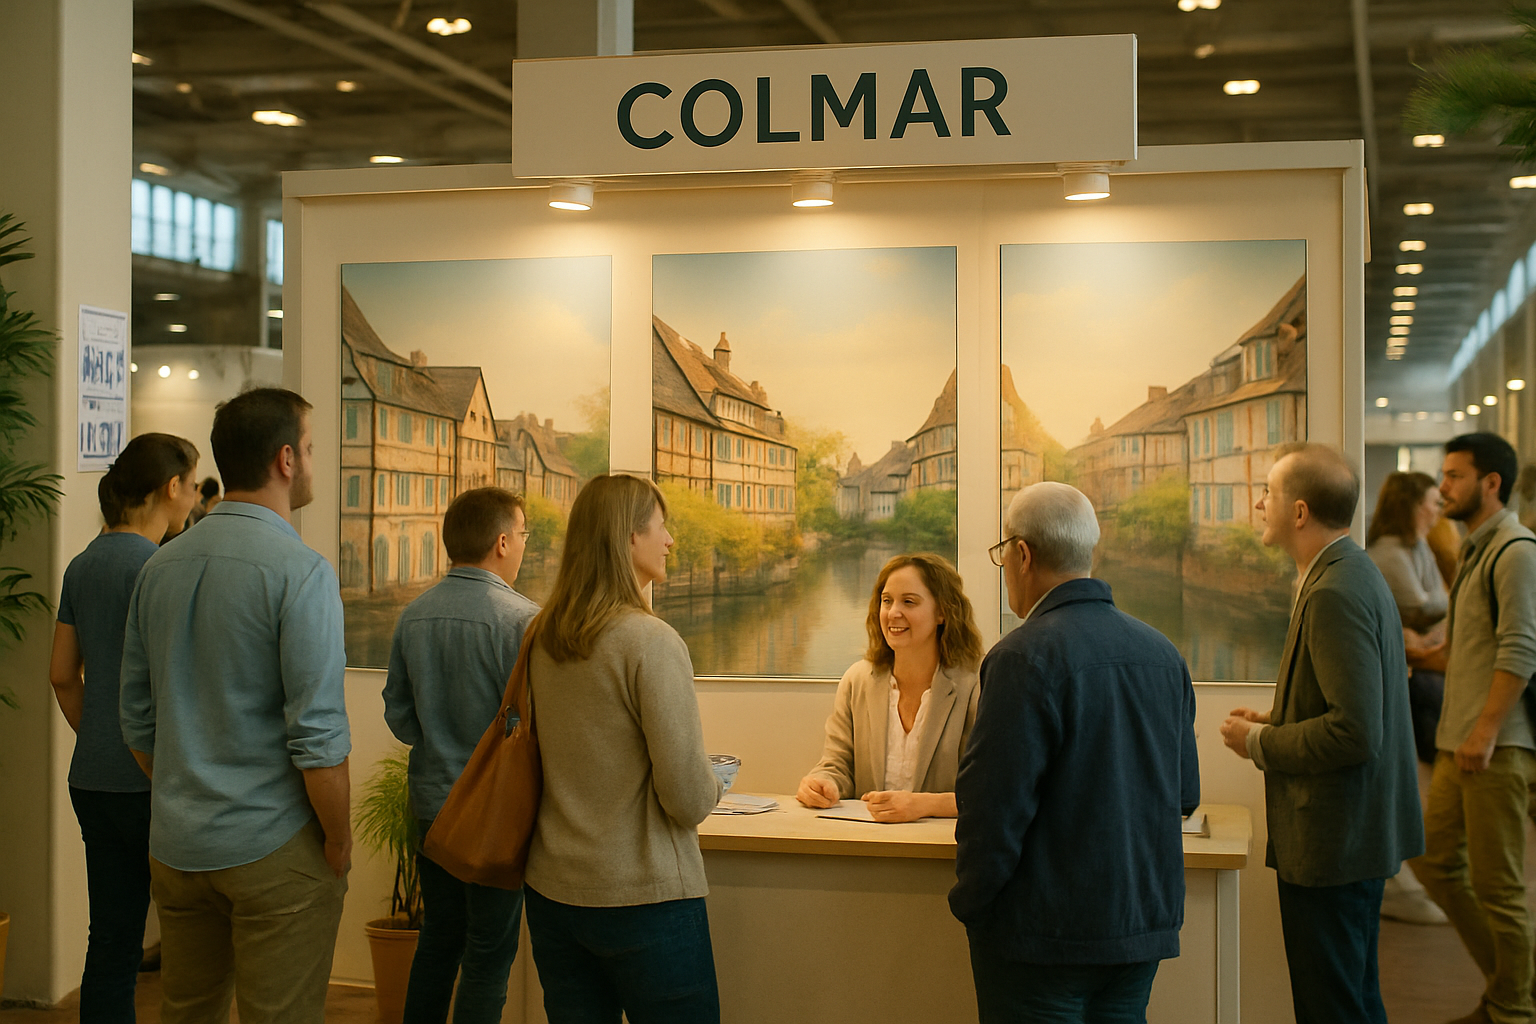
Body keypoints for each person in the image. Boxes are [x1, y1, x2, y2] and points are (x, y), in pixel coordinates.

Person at [120, 388, 351, 1024]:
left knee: (187, 1011)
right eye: (308, 448)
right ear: (285, 460)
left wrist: (187, 788)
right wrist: (338, 840)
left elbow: (137, 721)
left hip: (177, 844)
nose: (311, 459)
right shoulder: (300, 572)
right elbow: (319, 738)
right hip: (273, 845)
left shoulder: (159, 569)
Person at [949, 482, 1199, 1024]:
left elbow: (993, 807)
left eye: (1002, 556)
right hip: (1139, 929)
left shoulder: (1020, 657)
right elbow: (1184, 795)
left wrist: (972, 905)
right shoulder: (1163, 653)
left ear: (1021, 554)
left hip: (1040, 938)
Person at [1220, 443, 1423, 1024]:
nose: (1260, 505)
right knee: (1352, 1000)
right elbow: (1348, 707)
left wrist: (1259, 743)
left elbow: (1356, 732)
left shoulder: (1334, 590)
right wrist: (1278, 719)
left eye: (1269, 495)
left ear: (1300, 511)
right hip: (1351, 837)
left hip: (1337, 842)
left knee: (1331, 1006)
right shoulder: (1347, 572)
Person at [521, 474, 724, 1024]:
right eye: (662, 526)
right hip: (644, 897)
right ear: (629, 538)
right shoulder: (650, 640)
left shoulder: (543, 635)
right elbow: (686, 797)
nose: (671, 540)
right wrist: (715, 781)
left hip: (554, 892)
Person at [48, 433, 199, 1024]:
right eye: (191, 484)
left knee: (111, 938)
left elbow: (62, 675)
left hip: (93, 780)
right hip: (159, 782)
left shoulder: (83, 565)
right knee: (192, 944)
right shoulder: (164, 568)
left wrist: (101, 736)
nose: (193, 498)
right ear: (172, 488)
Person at [384, 487, 538, 1024]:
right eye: (522, 535)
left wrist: (439, 738)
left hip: (430, 806)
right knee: (488, 955)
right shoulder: (523, 621)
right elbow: (534, 729)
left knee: (439, 939)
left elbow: (398, 718)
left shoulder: (413, 615)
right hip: (495, 815)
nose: (522, 545)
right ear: (501, 542)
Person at [1411, 432, 1536, 1024]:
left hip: (1492, 748)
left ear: (1492, 484)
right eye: (1445, 474)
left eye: (1456, 476)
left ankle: (1512, 1007)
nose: (1443, 487)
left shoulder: (1515, 550)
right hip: (1459, 742)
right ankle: (1515, 990)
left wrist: (1485, 732)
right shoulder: (1477, 551)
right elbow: (1470, 650)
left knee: (1501, 890)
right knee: (1432, 861)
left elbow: (1520, 649)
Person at [794, 553, 983, 823]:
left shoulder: (977, 684)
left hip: (944, 852)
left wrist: (923, 805)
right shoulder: (856, 680)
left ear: (943, 611)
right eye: (886, 601)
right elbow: (836, 765)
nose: (893, 612)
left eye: (909, 601)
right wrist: (823, 783)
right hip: (870, 848)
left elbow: (993, 790)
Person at [1366, 472, 1453, 926]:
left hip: (1420, 673)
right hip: (1405, 678)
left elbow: (1433, 605)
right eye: (1431, 502)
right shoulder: (1389, 554)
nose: (1437, 510)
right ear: (1411, 506)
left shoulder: (1418, 549)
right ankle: (1400, 880)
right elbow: (1427, 607)